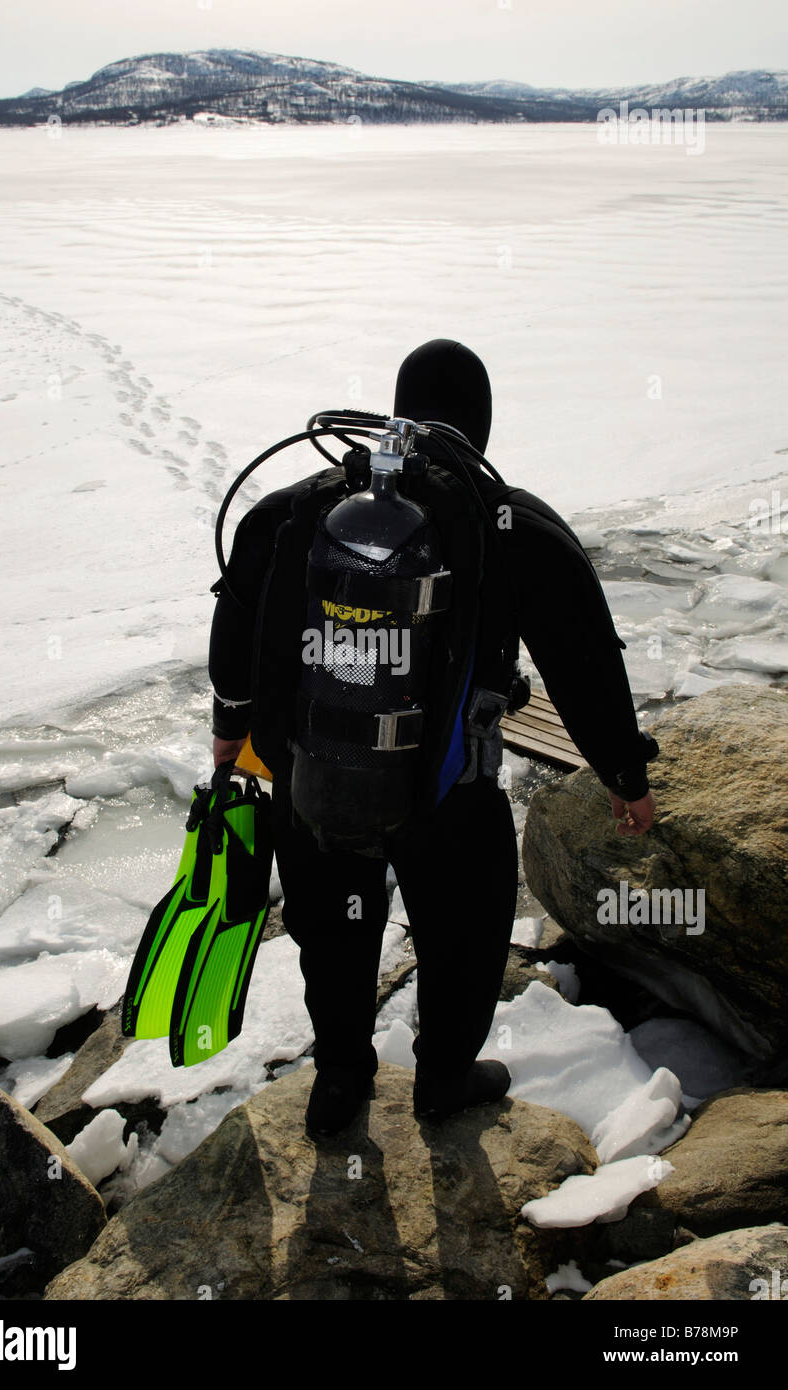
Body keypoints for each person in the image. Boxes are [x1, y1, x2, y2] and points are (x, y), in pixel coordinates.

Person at [209, 339, 657, 1138]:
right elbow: (583, 656)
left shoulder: (303, 504)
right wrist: (624, 773)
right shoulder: (508, 522)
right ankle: (443, 1078)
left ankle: (341, 1079)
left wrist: (228, 727)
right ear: (477, 423)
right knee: (464, 935)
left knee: (333, 930)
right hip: (447, 794)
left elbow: (237, 607)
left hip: (313, 777)